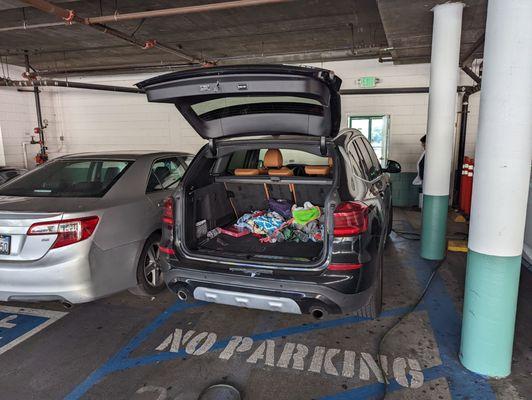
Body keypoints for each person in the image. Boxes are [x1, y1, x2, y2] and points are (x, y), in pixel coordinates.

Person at [412, 135, 426, 207]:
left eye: (423, 144)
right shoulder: (425, 152)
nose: (422, 145)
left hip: (428, 181)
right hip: (424, 179)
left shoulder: (431, 153)